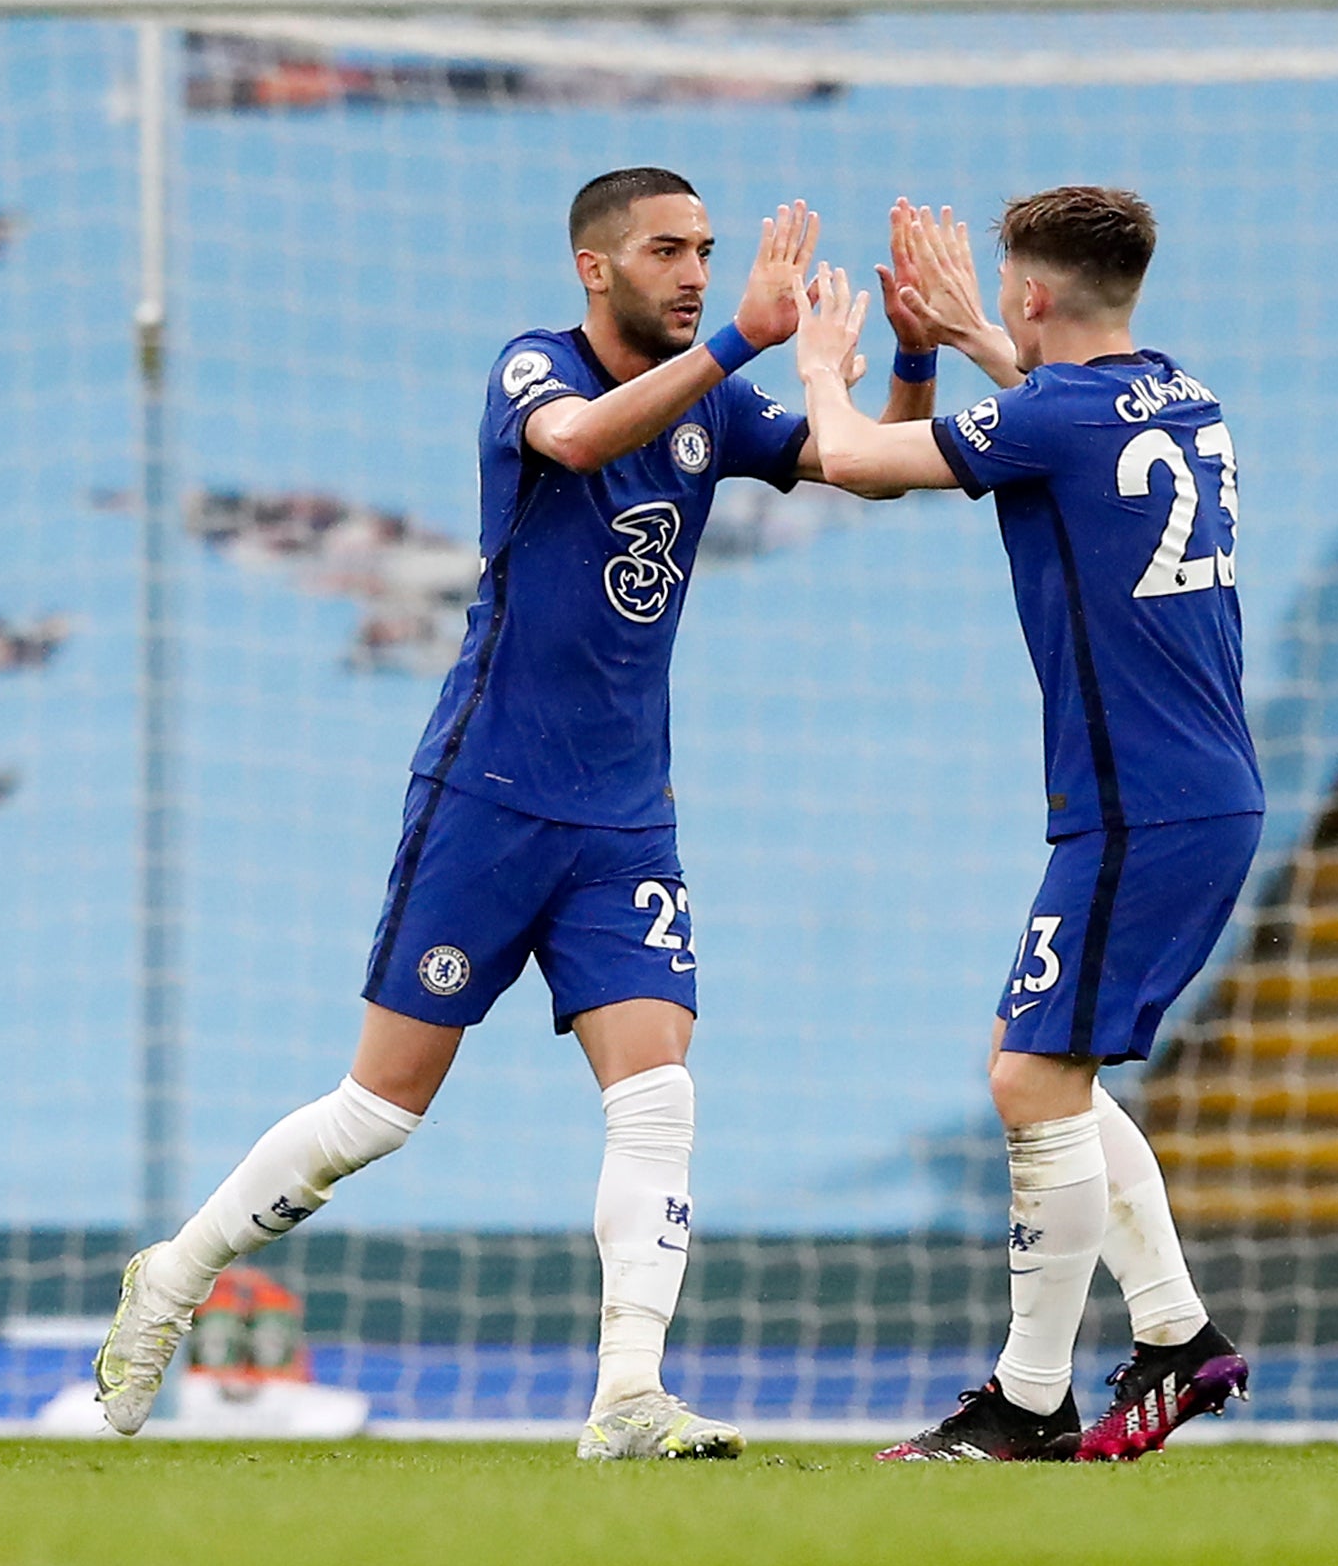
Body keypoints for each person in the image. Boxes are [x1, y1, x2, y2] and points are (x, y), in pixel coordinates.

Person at [94, 170, 917, 1459]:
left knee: (658, 1092)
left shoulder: (715, 397)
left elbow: (870, 468)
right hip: (489, 793)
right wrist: (745, 337)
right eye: (667, 249)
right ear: (597, 267)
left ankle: (627, 1397)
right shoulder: (535, 369)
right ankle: (174, 1276)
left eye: (706, 249)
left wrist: (909, 355)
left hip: (626, 818)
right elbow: (584, 443)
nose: (696, 269)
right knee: (379, 1112)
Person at [786, 190, 1256, 1462]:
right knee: (1046, 1061)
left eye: (1008, 288)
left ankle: (1030, 1396)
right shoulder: (1181, 394)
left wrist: (831, 367)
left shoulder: (1054, 415)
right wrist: (968, 339)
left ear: (1035, 295)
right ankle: (1172, 1331)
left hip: (1138, 803)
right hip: (1189, 794)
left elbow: (851, 460)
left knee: (1029, 1077)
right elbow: (1059, 415)